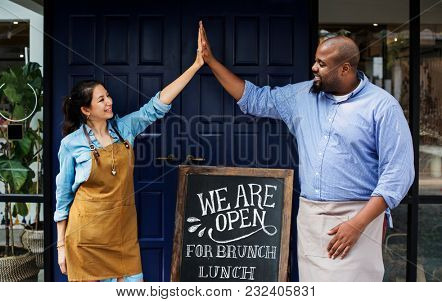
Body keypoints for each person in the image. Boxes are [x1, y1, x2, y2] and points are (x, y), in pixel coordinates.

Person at [198, 21, 414, 281]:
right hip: (311, 217)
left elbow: (397, 175)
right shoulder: (302, 96)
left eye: (322, 64)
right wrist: (210, 61)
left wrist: (357, 224)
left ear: (345, 69)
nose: (313, 67)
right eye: (315, 60)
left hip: (359, 217)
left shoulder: (382, 107)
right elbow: (253, 99)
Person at [54, 24, 204, 282]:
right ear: (86, 110)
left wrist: (196, 65)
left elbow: (156, 106)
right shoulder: (71, 144)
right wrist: (60, 247)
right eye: (101, 99)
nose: (109, 101)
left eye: (108, 95)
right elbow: (63, 197)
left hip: (122, 235)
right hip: (85, 240)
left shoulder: (124, 128)